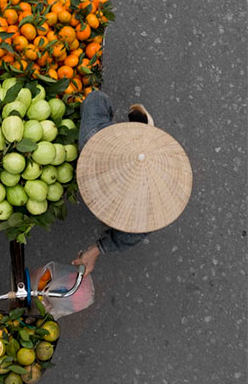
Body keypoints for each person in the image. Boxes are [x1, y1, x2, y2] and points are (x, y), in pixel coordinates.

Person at [72, 89, 192, 276]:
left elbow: (96, 100)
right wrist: (96, 250)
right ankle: (142, 131)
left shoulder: (92, 138)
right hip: (155, 160)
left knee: (94, 102)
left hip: (110, 141)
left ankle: (139, 130)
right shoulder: (150, 210)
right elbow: (128, 236)